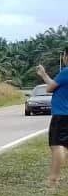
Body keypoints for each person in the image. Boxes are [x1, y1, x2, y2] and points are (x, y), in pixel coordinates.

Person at [36, 48, 68, 186]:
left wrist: (44, 75)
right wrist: (45, 75)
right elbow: (55, 86)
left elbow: (49, 88)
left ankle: (53, 179)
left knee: (57, 145)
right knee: (65, 146)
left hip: (62, 114)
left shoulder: (65, 72)